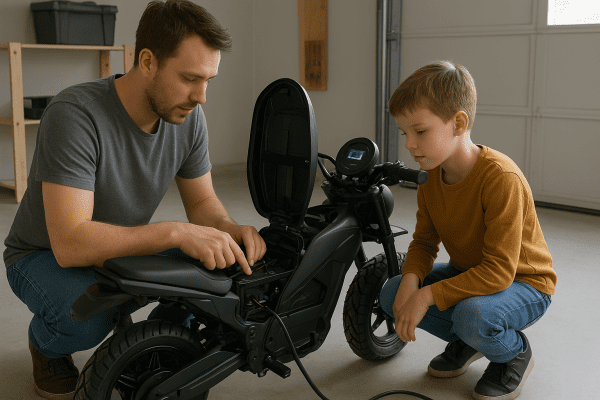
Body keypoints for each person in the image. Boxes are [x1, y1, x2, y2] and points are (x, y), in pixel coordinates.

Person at [3, 1, 266, 399]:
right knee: (88, 319)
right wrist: (176, 232)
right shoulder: (75, 115)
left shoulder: (189, 117)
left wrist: (229, 230)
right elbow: (71, 243)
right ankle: (45, 345)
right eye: (190, 78)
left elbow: (203, 205)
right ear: (147, 61)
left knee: (223, 273)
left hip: (115, 245)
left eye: (209, 80)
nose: (202, 96)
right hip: (43, 255)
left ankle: (159, 341)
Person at [379, 61, 557, 400]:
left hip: (524, 282)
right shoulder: (431, 176)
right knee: (392, 294)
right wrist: (412, 282)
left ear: (458, 123)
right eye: (405, 134)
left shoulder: (501, 179)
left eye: (420, 131)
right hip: (473, 274)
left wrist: (427, 296)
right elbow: (424, 242)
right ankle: (467, 340)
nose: (409, 145)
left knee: (472, 316)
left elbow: (500, 272)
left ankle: (513, 353)